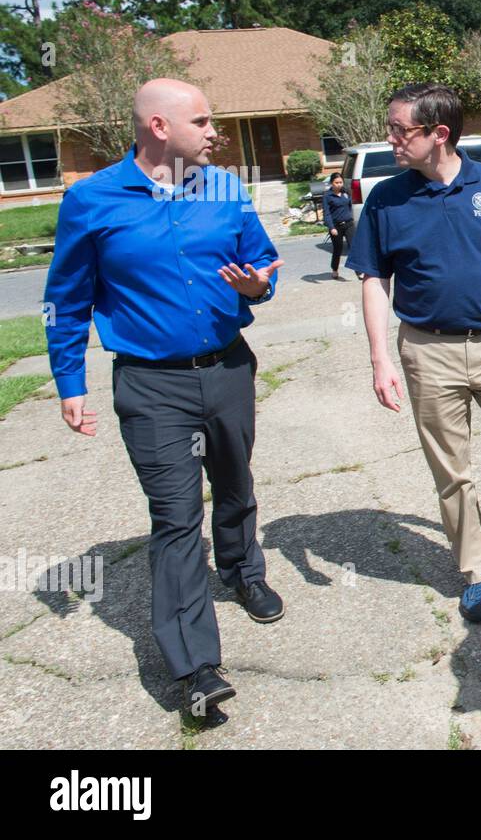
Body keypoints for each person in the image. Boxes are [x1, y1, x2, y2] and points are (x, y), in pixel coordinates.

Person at [43, 78, 285, 723]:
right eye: (202, 121)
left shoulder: (228, 190)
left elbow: (264, 264)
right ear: (158, 127)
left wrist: (258, 286)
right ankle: (195, 667)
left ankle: (241, 568)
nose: (215, 132)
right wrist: (70, 384)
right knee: (176, 517)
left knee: (235, 483)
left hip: (228, 367)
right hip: (151, 386)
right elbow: (65, 301)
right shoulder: (90, 200)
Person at [347, 82, 481, 624]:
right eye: (391, 128)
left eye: (400, 130)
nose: (391, 139)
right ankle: (476, 572)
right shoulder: (386, 199)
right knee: (452, 470)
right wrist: (380, 359)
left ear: (439, 134)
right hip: (427, 351)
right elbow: (374, 281)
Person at [321, 172, 355, 279]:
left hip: (349, 224)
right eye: (336, 182)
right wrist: (331, 227)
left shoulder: (346, 193)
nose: (339, 185)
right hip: (336, 226)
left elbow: (350, 206)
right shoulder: (327, 196)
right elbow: (326, 213)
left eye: (341, 182)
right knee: (337, 249)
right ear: (332, 183)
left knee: (353, 246)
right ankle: (334, 269)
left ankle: (358, 270)